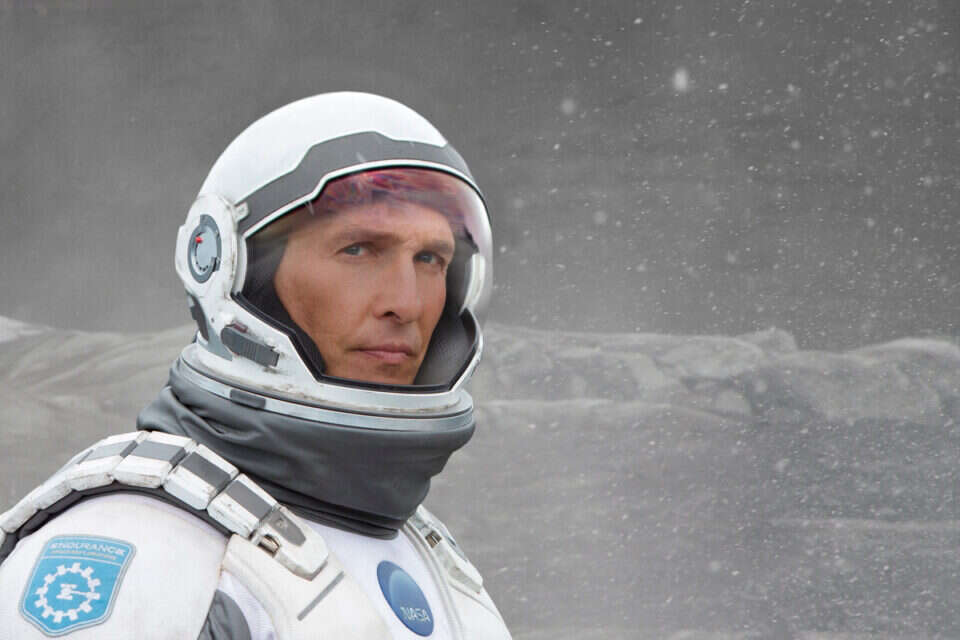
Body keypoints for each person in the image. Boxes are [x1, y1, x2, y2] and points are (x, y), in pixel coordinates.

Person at [0, 92, 511, 639]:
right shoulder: (136, 561)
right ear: (233, 269)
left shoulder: (436, 566)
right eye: (359, 250)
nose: (406, 303)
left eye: (430, 259)